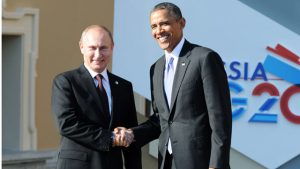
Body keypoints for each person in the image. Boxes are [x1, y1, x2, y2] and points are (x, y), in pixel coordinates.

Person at [115, 2, 232, 169]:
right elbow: (161, 121)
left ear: (182, 23)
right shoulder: (156, 68)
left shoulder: (204, 58)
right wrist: (132, 134)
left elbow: (220, 118)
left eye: (164, 23)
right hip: (167, 161)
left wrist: (217, 164)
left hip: (200, 161)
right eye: (154, 26)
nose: (159, 31)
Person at [51, 25, 142, 169]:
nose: (98, 54)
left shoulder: (124, 86)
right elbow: (67, 124)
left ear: (112, 48)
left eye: (104, 48)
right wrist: (110, 138)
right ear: (82, 47)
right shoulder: (66, 81)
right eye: (92, 48)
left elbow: (130, 134)